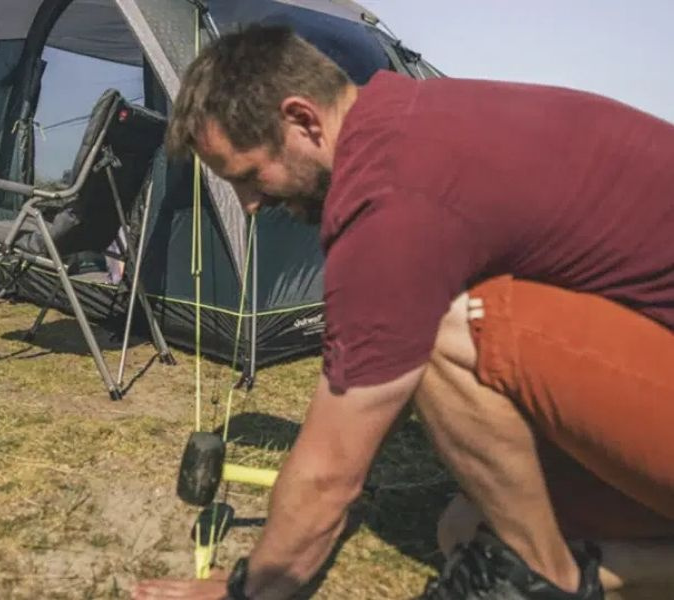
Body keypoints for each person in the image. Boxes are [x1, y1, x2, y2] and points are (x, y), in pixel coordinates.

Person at [133, 26, 674, 600]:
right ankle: (564, 573)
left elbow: (331, 474)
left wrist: (252, 589)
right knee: (467, 529)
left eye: (247, 175)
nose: (248, 204)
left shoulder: (390, 199)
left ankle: (545, 581)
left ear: (303, 121)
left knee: (444, 330)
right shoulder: (411, 119)